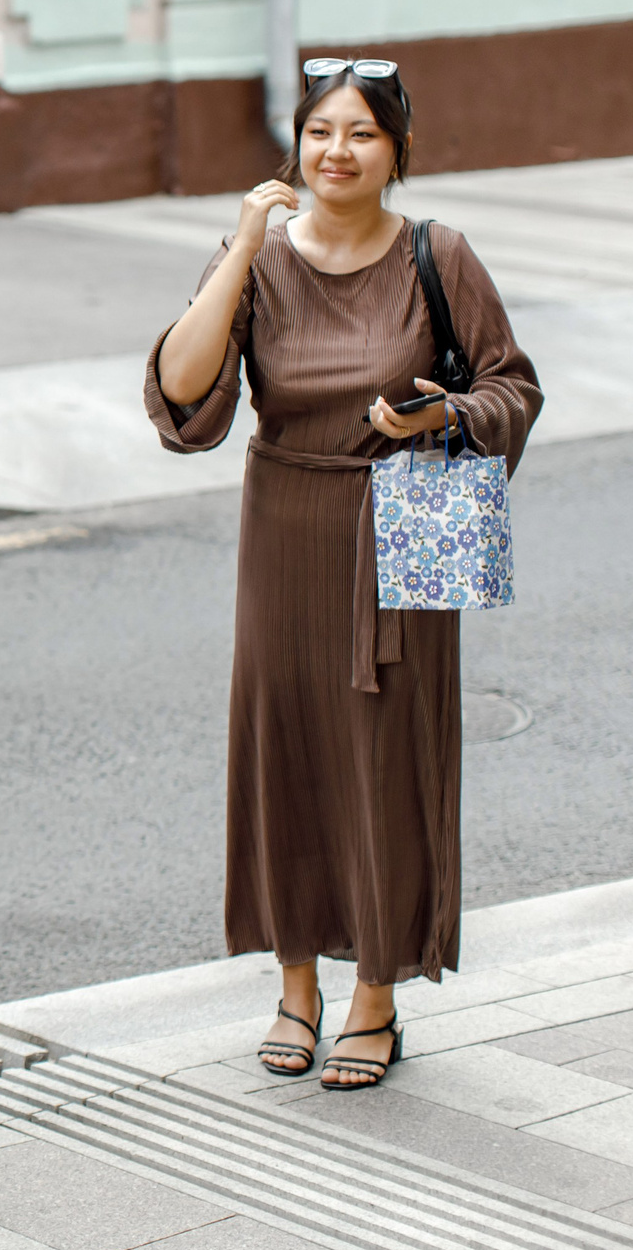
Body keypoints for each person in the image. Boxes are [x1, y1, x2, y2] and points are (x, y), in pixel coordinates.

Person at [146, 58, 541, 1091]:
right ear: (297, 145)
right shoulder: (260, 262)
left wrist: (440, 415)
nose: (337, 151)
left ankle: (374, 992)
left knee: (386, 758)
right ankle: (293, 982)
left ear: (395, 150)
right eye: (320, 131)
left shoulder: (436, 255)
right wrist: (238, 247)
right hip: (283, 526)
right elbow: (183, 397)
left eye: (361, 133)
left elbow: (510, 388)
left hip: (401, 525)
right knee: (286, 753)